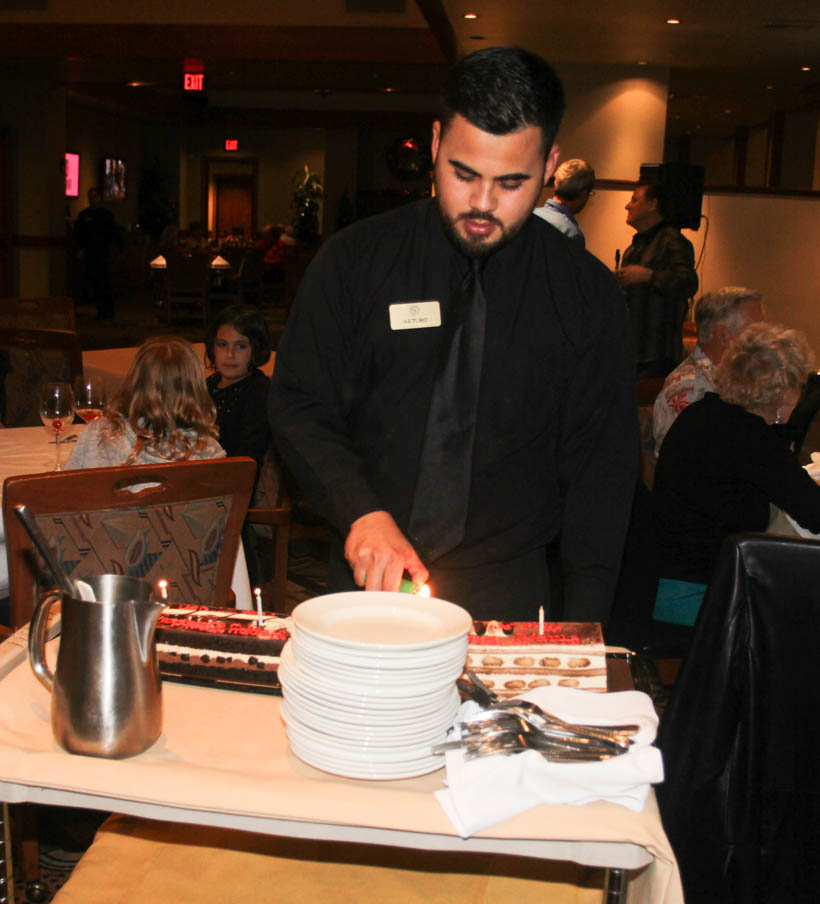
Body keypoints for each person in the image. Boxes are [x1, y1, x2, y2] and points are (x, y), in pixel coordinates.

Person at [269, 46, 638, 623]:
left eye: (512, 182)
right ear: (436, 144)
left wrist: (585, 628)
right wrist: (361, 511)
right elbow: (299, 404)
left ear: (549, 165)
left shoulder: (586, 294)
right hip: (372, 576)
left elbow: (603, 475)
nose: (483, 204)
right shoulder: (355, 261)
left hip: (512, 591)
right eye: (464, 174)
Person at [652, 322, 820, 632]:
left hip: (662, 580)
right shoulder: (750, 438)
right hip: (698, 593)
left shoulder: (704, 414)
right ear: (784, 389)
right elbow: (814, 511)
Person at [66, 336, 225, 469]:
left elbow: (66, 490)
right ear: (195, 389)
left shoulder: (100, 434)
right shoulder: (208, 451)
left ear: (134, 381)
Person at [652, 286, 765, 454]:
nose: (766, 340)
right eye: (757, 332)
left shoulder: (739, 378)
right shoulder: (690, 389)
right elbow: (691, 468)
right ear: (723, 337)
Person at [616, 180, 698, 378]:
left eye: (635, 200)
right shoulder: (634, 246)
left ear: (653, 205)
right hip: (630, 350)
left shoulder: (672, 240)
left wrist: (648, 276)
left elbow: (688, 282)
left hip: (657, 354)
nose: (628, 206)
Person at [205, 305, 272, 468]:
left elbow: (249, 458)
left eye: (240, 346)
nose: (230, 354)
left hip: (236, 481)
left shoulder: (260, 392)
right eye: (222, 344)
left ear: (255, 349)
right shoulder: (208, 385)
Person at [73, 187, 119, 320]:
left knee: (104, 282)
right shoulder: (84, 215)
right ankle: (98, 309)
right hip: (89, 253)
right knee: (92, 281)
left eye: (95, 196)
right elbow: (79, 234)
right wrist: (79, 249)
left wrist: (117, 251)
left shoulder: (106, 216)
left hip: (103, 253)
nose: (93, 199)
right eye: (90, 197)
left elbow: (113, 234)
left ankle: (107, 310)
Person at [532, 158, 595, 246]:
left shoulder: (527, 217)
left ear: (555, 183)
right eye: (590, 193)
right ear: (583, 193)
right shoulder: (571, 234)